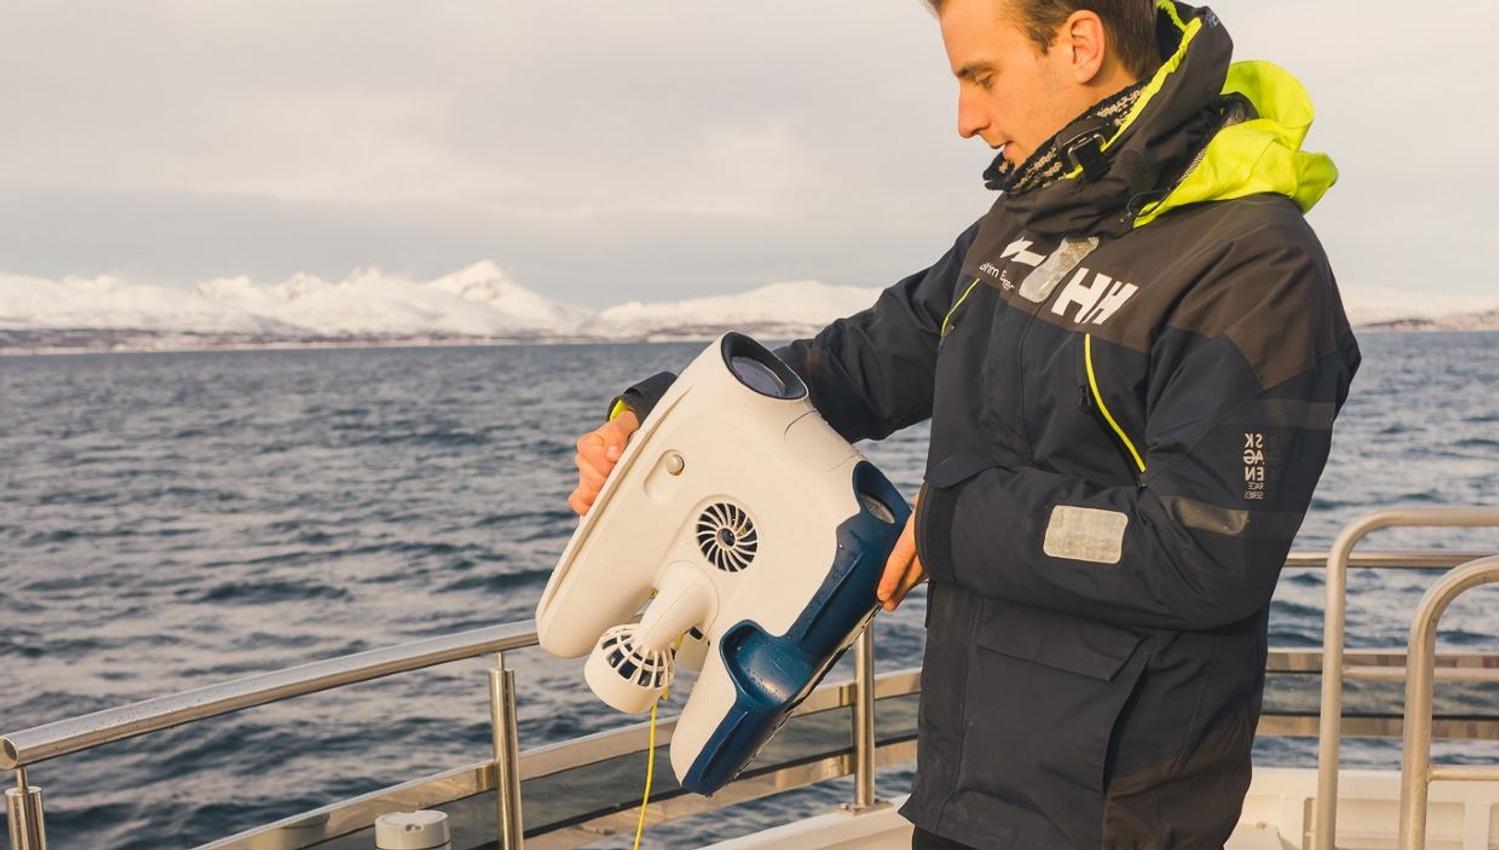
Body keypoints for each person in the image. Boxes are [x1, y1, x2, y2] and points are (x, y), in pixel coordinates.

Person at [569, 0, 1360, 846]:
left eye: (981, 77)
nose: (964, 119)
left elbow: (1204, 551)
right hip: (964, 781)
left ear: (1079, 45)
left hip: (1111, 810)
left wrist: (953, 522)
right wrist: (660, 419)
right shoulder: (1023, 223)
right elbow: (854, 367)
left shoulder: (1256, 266)